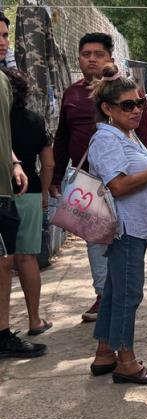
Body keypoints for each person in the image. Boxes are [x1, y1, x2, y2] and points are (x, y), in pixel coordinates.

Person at [52, 32, 147, 323]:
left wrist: (141, 170)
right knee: (95, 239)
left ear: (110, 58)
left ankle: (118, 295)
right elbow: (62, 137)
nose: (92, 59)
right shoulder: (71, 94)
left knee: (123, 240)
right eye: (86, 54)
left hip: (122, 180)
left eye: (98, 54)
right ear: (79, 59)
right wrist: (56, 177)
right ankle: (103, 296)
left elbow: (140, 135)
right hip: (88, 183)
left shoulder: (128, 92)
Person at [86, 64, 147, 385]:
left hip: (132, 226)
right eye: (127, 105)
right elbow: (117, 185)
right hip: (123, 228)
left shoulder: (124, 135)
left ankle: (105, 352)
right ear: (107, 109)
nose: (136, 110)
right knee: (129, 294)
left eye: (140, 103)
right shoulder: (106, 139)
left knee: (116, 290)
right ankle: (126, 361)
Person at [0, 17, 46, 359]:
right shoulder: (33, 120)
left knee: (5, 260)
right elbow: (50, 158)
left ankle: (5, 330)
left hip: (9, 187)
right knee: (18, 258)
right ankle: (26, 321)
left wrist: (13, 162)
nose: (3, 42)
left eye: (5, 35)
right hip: (20, 193)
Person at [4, 67, 55, 337]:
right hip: (29, 192)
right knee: (26, 257)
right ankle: (34, 319)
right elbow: (48, 163)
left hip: (3, 191)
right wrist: (44, 194)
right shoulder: (35, 120)